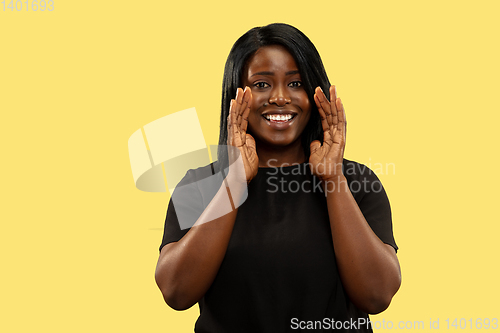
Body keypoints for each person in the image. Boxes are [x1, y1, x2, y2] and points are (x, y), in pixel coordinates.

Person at [155, 23, 401, 332]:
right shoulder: (200, 185)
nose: (281, 97)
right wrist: (233, 182)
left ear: (315, 94)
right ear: (235, 96)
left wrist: (333, 180)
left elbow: (377, 295)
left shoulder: (356, 181)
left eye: (296, 83)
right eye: (261, 85)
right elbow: (176, 291)